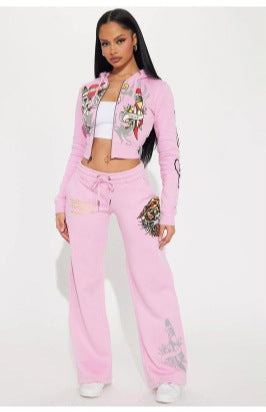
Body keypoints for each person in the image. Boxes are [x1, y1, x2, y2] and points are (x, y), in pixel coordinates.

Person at [54, 8, 187, 404]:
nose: (112, 49)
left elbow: (169, 153)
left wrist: (168, 210)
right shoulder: (89, 91)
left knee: (152, 277)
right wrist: (61, 199)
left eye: (119, 40)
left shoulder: (156, 90)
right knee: (85, 278)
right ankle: (93, 370)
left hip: (134, 189)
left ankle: (169, 372)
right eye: (104, 43)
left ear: (134, 40)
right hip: (85, 188)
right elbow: (77, 148)